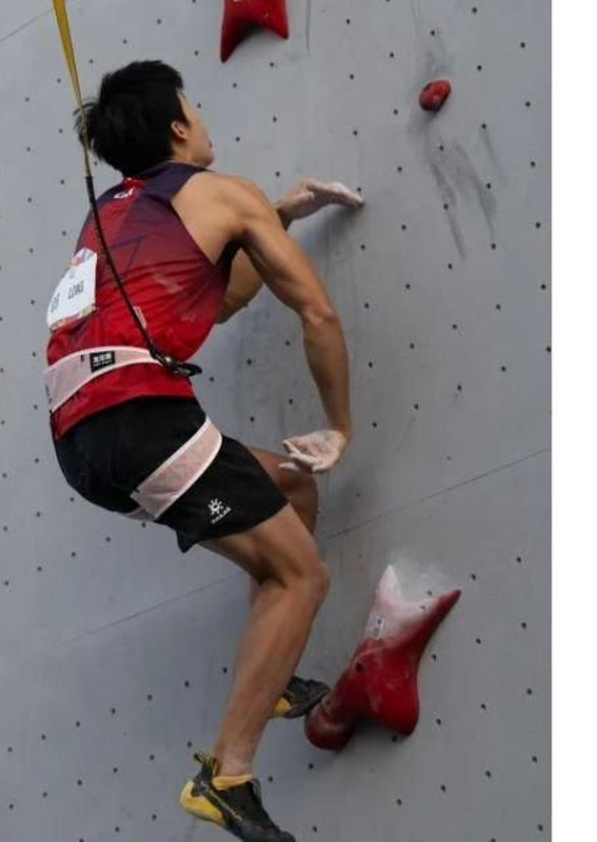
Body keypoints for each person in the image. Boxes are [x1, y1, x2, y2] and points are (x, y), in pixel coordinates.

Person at [43, 60, 362, 842]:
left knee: (290, 490)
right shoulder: (222, 193)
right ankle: (228, 776)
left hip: (83, 437)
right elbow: (314, 311)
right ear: (179, 128)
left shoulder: (111, 215)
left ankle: (273, 677)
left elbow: (215, 302)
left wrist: (276, 216)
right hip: (139, 419)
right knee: (302, 575)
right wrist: (340, 424)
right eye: (195, 106)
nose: (203, 117)